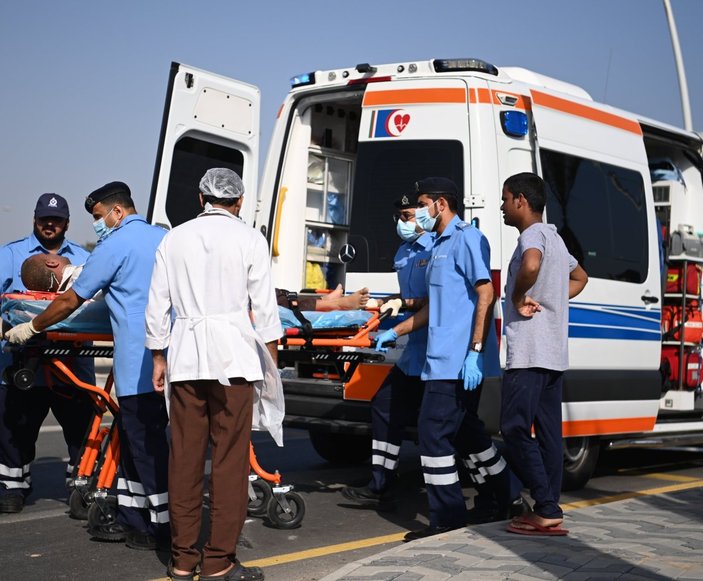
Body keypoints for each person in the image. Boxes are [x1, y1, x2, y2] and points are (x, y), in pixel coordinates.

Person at [6, 182, 170, 550]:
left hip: (138, 366)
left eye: (97, 217)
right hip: (167, 361)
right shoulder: (163, 238)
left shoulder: (112, 246)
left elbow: (69, 302)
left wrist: (32, 326)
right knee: (133, 443)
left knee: (145, 447)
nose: (97, 224)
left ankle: (164, 527)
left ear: (116, 211)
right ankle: (136, 523)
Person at [146, 168, 281, 581]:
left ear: (200, 197)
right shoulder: (250, 239)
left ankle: (183, 560)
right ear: (238, 202)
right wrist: (270, 366)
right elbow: (265, 311)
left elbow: (157, 306)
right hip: (234, 360)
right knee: (228, 461)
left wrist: (158, 356)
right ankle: (219, 561)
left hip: (186, 357)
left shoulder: (174, 238)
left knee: (184, 459)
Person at [375, 177, 518, 541]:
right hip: (436, 360)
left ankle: (448, 519)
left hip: (457, 361)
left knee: (433, 434)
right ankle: (506, 495)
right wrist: (398, 330)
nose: (418, 213)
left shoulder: (467, 238)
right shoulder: (437, 245)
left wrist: (474, 352)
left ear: (440, 204)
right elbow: (433, 306)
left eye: (422, 204)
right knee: (465, 433)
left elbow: (486, 294)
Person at [499, 172, 588, 536]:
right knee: (550, 433)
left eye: (504, 199)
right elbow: (581, 278)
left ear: (521, 199)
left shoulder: (532, 236)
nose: (502, 207)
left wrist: (520, 297)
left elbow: (532, 266)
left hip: (530, 352)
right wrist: (554, 298)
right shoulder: (556, 237)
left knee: (514, 427)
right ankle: (550, 508)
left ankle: (546, 505)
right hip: (553, 354)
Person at [0, 194, 94, 514]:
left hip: (73, 362)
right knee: (15, 427)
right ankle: (13, 484)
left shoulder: (84, 259)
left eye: (56, 220)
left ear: (67, 223)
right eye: (44, 220)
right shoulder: (11, 255)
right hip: (22, 360)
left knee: (80, 427)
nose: (49, 225)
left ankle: (82, 484)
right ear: (34, 220)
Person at [341, 194, 431, 506]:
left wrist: (401, 308)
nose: (402, 224)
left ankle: (500, 492)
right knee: (384, 404)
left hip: (438, 355)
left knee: (455, 428)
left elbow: (432, 300)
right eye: (400, 217)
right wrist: (385, 304)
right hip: (413, 355)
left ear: (424, 214)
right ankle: (380, 482)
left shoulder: (438, 248)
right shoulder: (404, 251)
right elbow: (409, 295)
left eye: (407, 216)